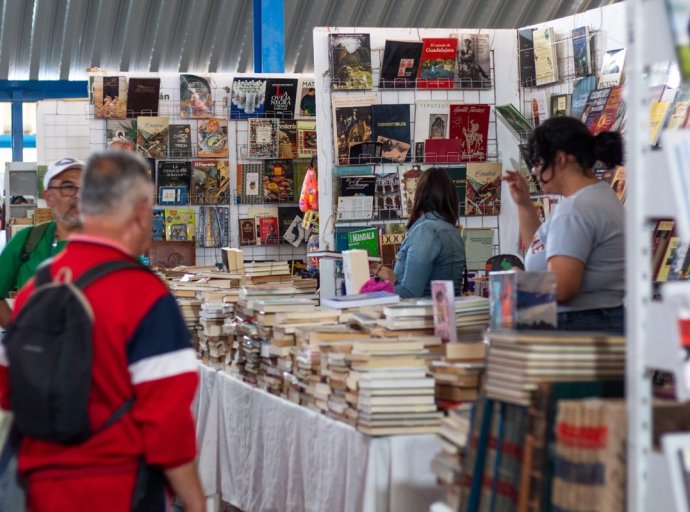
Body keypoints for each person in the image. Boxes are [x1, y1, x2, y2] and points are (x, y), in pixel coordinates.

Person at [0, 151, 205, 511]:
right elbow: (166, 422)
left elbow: (8, 390)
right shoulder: (146, 295)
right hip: (120, 489)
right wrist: (195, 502)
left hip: (41, 490)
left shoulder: (38, 286)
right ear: (140, 210)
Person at [503, 116, 625, 333]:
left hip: (577, 329)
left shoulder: (574, 210)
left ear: (560, 159)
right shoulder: (601, 196)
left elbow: (562, 287)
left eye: (539, 163)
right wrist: (524, 205)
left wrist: (517, 281)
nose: (535, 173)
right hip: (603, 322)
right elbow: (542, 250)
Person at [0, 157, 84, 328]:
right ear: (49, 197)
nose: (79, 195)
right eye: (68, 187)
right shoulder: (27, 241)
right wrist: (18, 333)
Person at [376, 167, 466, 298]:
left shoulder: (426, 231)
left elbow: (410, 292)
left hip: (425, 313)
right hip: (446, 311)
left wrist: (371, 296)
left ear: (420, 195)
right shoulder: (453, 231)